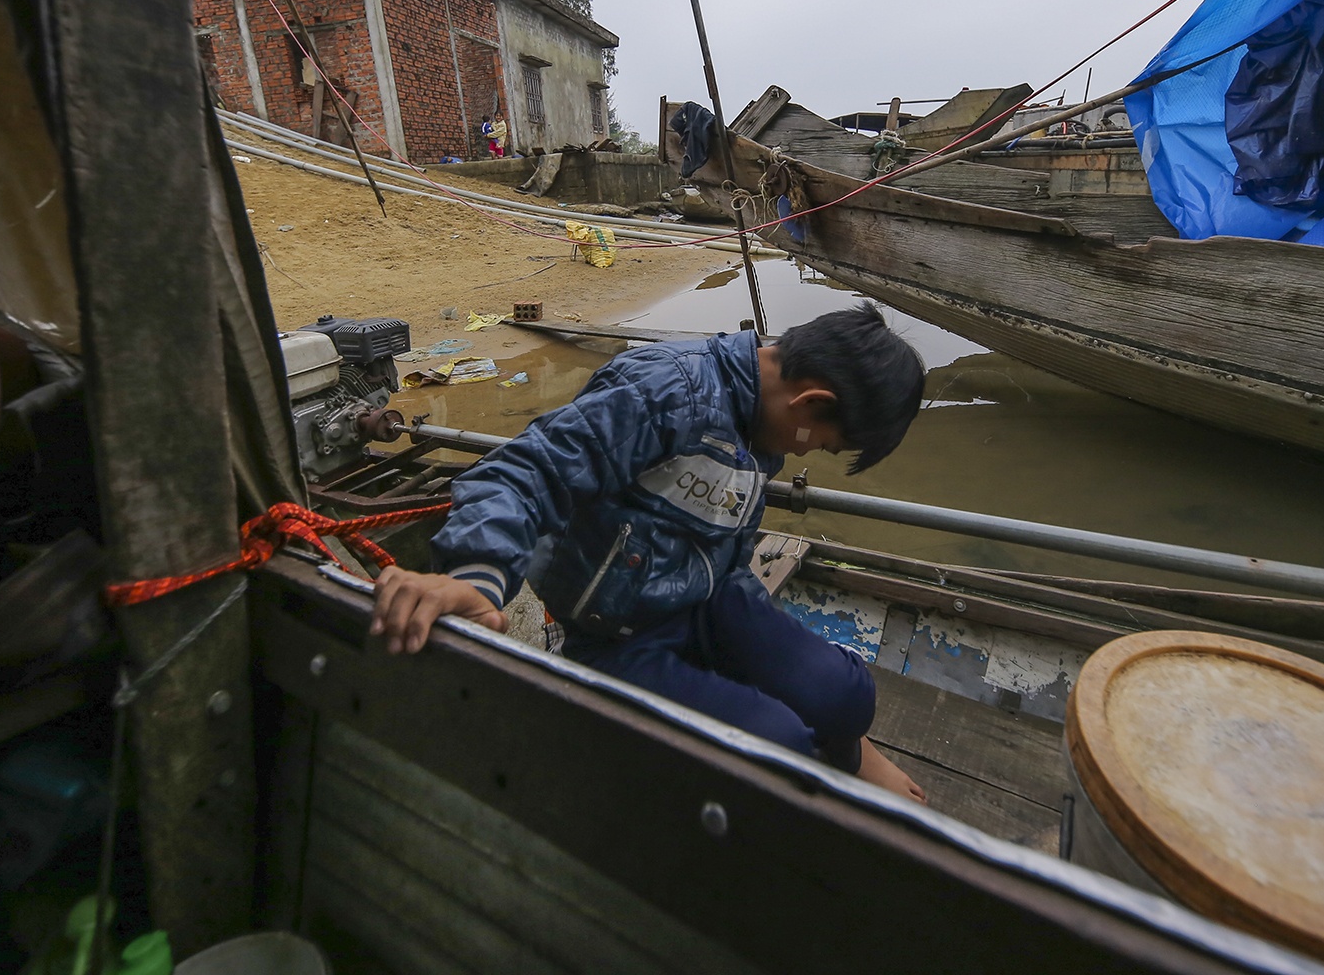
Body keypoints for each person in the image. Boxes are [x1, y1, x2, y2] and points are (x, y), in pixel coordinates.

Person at [370, 303, 928, 801]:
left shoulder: (768, 419)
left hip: (710, 598)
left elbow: (728, 543)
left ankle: (848, 752)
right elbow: (523, 474)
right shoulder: (662, 392)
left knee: (848, 696)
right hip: (615, 630)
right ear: (811, 402)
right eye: (824, 444)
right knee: (778, 752)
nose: (809, 453)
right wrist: (474, 577)